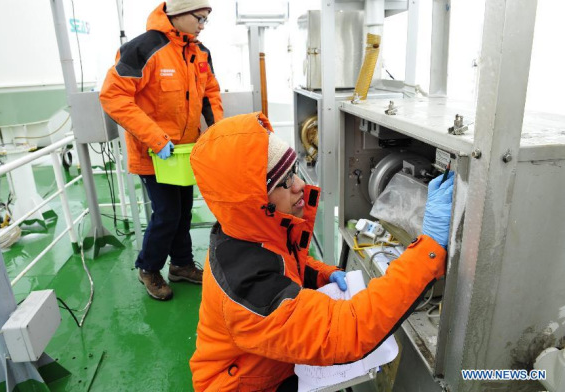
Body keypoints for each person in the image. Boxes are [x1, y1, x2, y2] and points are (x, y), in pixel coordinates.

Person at [188, 112, 454, 391]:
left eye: (294, 171)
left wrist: (321, 276)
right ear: (255, 200)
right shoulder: (247, 286)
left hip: (263, 367)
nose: (300, 185)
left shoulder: (243, 232)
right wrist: (429, 249)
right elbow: (349, 331)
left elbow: (281, 265)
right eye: (285, 180)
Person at [100, 0, 223, 301]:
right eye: (200, 18)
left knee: (182, 212)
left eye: (207, 19)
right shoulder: (143, 48)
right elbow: (114, 96)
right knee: (167, 213)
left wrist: (218, 131)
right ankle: (149, 268)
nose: (203, 26)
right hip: (154, 154)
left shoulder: (200, 52)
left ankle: (180, 265)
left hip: (183, 155)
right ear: (178, 14)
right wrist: (155, 138)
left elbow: (210, 93)